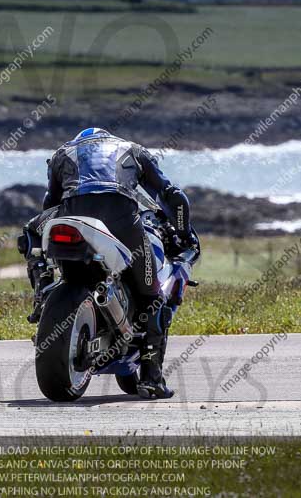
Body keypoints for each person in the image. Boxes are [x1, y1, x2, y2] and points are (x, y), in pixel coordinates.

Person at [19, 128, 197, 399]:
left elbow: (50, 203)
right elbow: (173, 197)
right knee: (152, 296)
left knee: (30, 233)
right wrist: (183, 234)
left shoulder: (61, 154)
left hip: (69, 214)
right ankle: (152, 379)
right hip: (120, 216)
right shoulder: (134, 150)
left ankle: (42, 295)